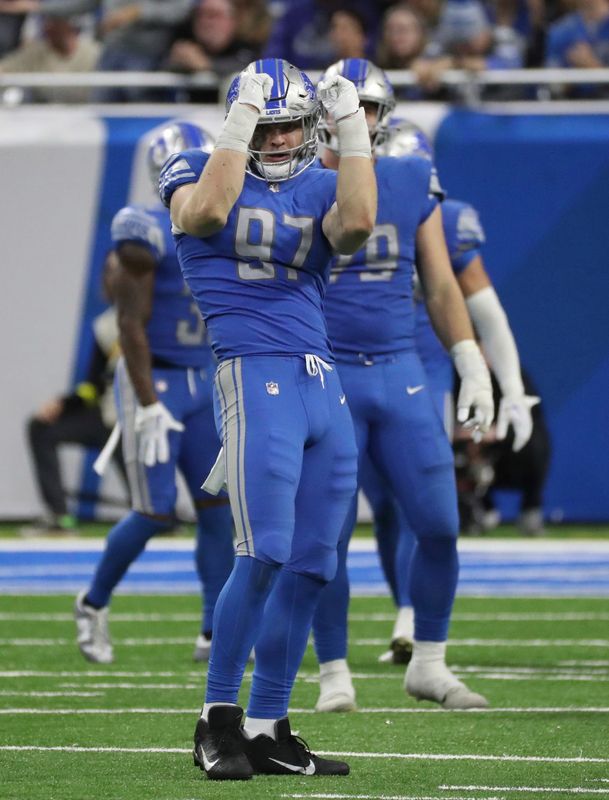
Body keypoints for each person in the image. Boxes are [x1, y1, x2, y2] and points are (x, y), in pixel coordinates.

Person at [159, 57, 376, 780]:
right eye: (270, 126)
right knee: (264, 552)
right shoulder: (199, 163)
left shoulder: (320, 180)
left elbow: (356, 226)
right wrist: (240, 122)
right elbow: (208, 215)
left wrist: (351, 130)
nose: (281, 142)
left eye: (291, 126)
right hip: (253, 372)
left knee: (316, 563)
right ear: (243, 120)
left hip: (321, 380)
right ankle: (215, 718)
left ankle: (267, 724)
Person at [310, 59, 495, 714]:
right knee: (325, 537)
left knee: (440, 525)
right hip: (324, 371)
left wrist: (469, 358)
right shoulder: (300, 181)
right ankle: (333, 670)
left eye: (367, 108)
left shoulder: (411, 175)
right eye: (345, 106)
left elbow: (439, 282)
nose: (356, 120)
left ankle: (428, 661)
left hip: (398, 367)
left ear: (383, 118)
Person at [364, 119, 539, 665]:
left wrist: (510, 388)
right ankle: (402, 611)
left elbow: (486, 313)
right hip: (353, 365)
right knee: (383, 506)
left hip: (424, 367)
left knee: (418, 500)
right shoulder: (343, 205)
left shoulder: (448, 217)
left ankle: (413, 619)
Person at [74, 119, 235, 666]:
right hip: (156, 376)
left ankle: (215, 631)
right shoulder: (143, 228)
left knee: (218, 507)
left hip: (204, 376)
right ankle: (92, 602)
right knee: (155, 509)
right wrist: (145, 403)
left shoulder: (226, 219)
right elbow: (129, 324)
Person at [23, 253, 124, 536]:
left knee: (152, 512)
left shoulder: (157, 317)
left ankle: (168, 515)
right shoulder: (105, 325)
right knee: (40, 426)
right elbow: (93, 386)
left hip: (144, 421)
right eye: (110, 271)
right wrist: (64, 404)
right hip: (108, 417)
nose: (115, 277)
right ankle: (59, 516)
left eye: (122, 269)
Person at [165, 0, 259, 103]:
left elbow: (247, 68)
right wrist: (174, 62)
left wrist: (206, 65)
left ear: (232, 21)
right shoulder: (183, 41)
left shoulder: (247, 45)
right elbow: (158, 69)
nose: (206, 22)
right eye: (200, 15)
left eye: (214, 15)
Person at [0, 10, 100, 102]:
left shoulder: (92, 52)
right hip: (43, 115)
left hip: (88, 114)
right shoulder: (36, 52)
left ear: (68, 25)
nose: (47, 27)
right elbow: (4, 68)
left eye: (55, 22)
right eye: (47, 22)